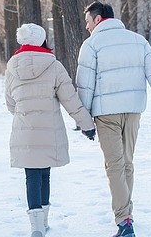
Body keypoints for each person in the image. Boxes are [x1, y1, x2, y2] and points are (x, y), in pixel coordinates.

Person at [76, 2, 151, 237]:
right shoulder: (137, 40)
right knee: (126, 164)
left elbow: (85, 85)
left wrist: (85, 122)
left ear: (98, 19)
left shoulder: (91, 45)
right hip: (132, 111)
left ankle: (124, 221)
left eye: (88, 22)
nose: (87, 27)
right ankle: (127, 215)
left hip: (106, 113)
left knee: (115, 166)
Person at [5, 23, 95, 237]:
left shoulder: (11, 67)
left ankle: (36, 226)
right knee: (44, 173)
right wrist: (87, 125)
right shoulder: (53, 65)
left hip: (24, 130)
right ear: (42, 40)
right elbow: (70, 99)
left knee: (32, 175)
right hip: (49, 129)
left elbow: (10, 103)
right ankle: (43, 222)